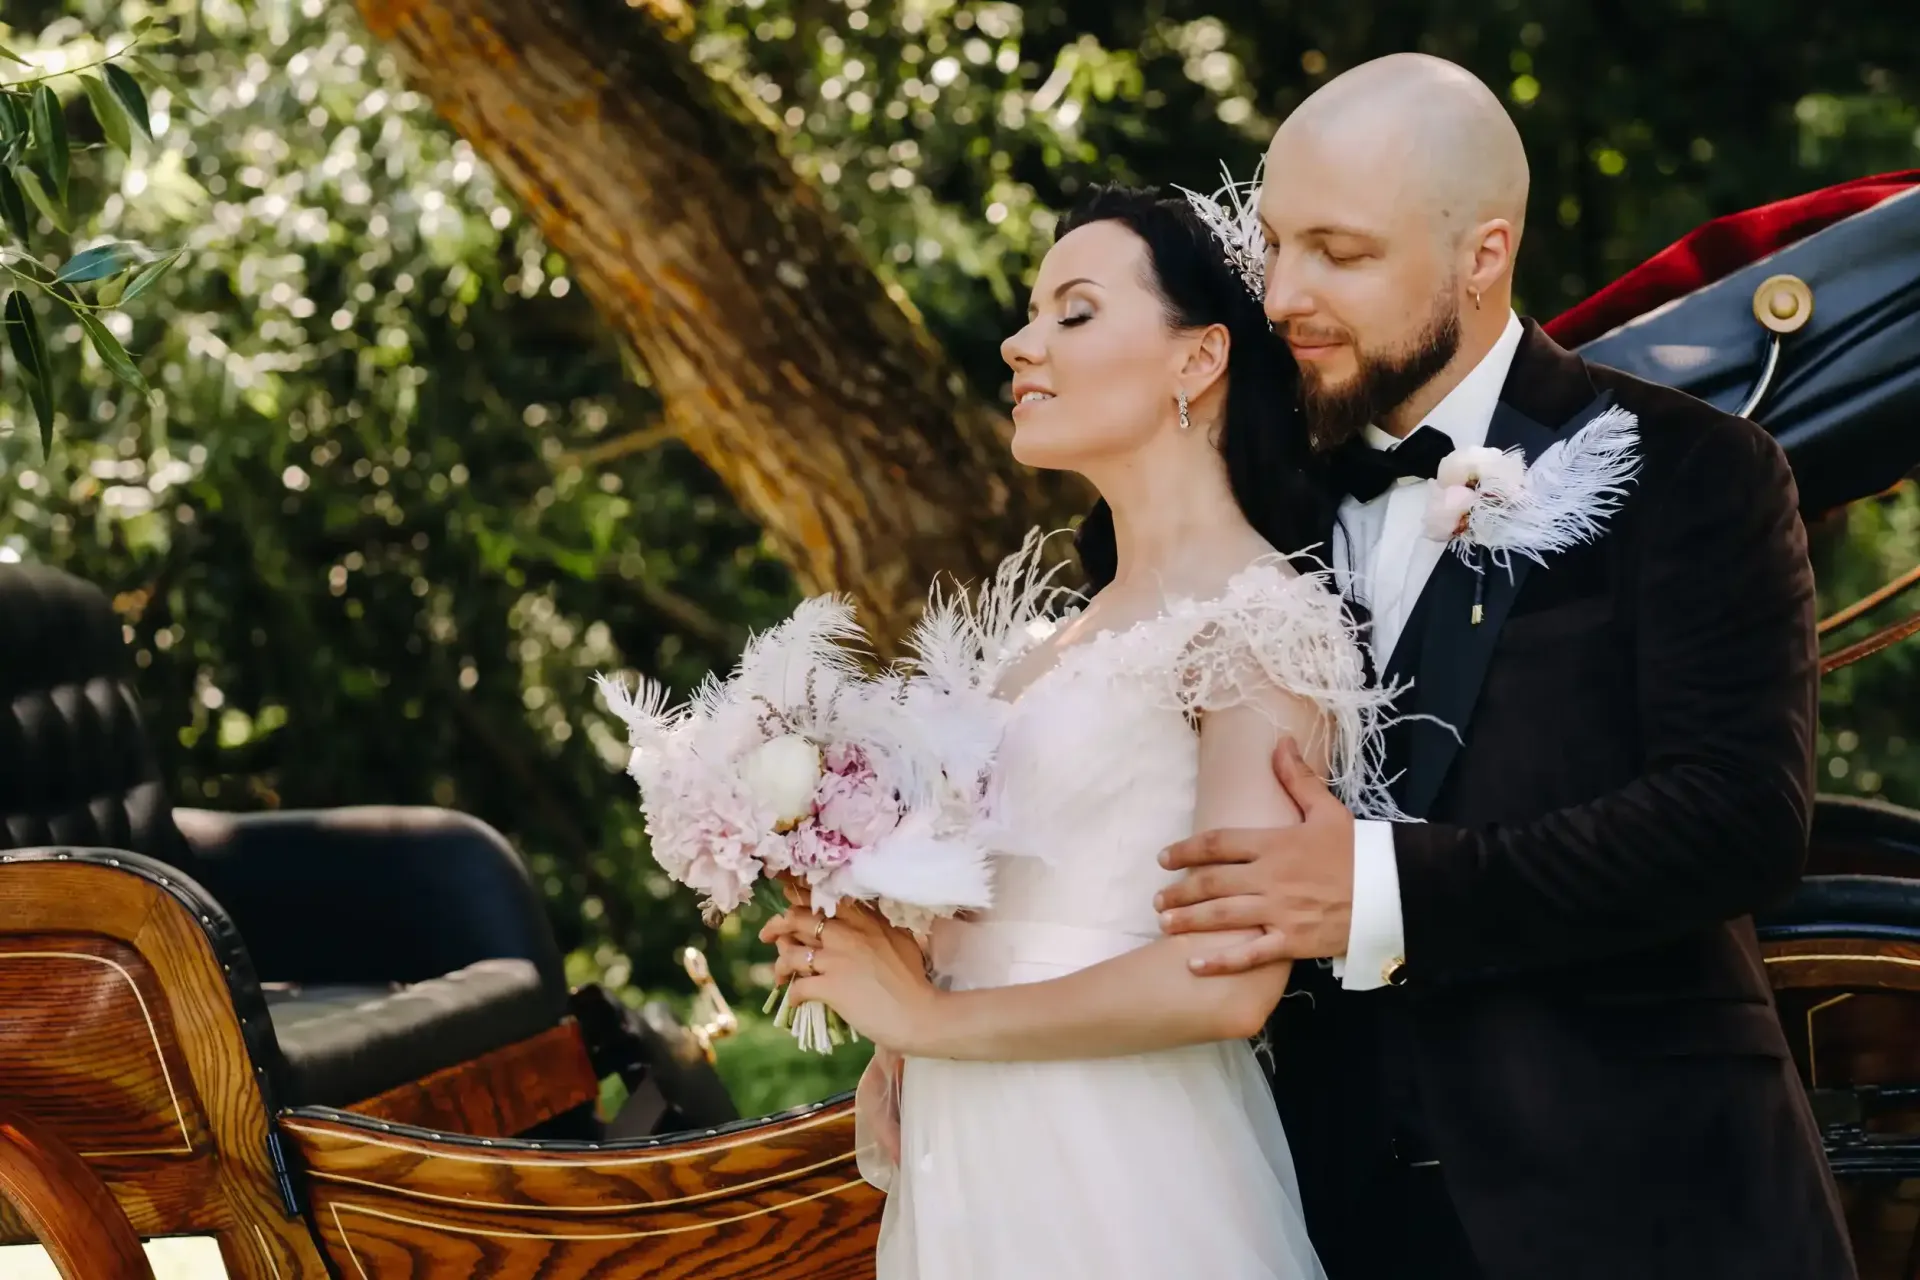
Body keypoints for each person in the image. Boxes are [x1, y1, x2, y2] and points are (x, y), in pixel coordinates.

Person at [1151, 52, 1856, 1279]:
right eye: (1275, 245)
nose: (1284, 295)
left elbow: (1736, 818)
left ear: (1483, 256)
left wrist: (1386, 890)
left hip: (1643, 1206)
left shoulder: (1695, 469)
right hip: (1323, 1217)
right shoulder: (1251, 509)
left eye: (1342, 252)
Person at [760, 183, 1401, 1278]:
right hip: (976, 1155)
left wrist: (928, 1018)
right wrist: (896, 976)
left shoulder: (1252, 621)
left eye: (1074, 310)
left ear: (1198, 360)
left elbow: (1227, 980)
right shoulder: (1050, 639)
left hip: (1120, 1167)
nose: (1020, 342)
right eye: (1029, 312)